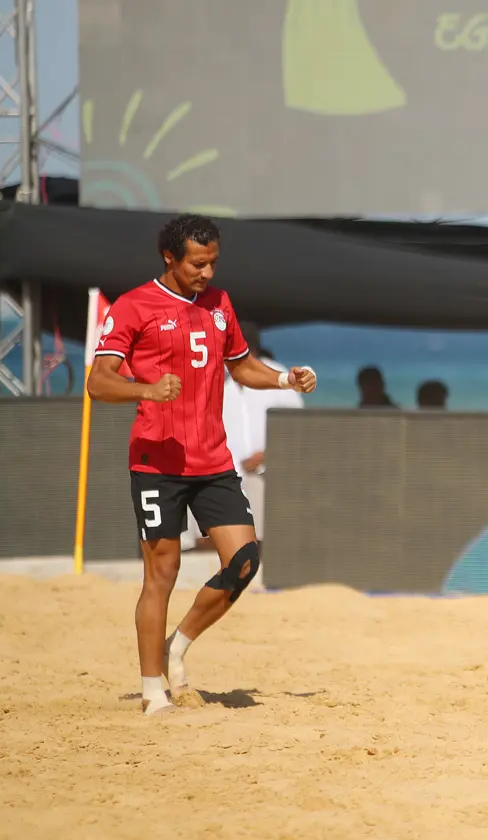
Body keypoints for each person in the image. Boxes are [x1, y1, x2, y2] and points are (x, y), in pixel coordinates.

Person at [87, 214, 318, 716]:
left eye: (213, 262)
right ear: (170, 257)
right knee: (162, 574)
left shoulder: (219, 304)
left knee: (244, 562)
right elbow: (99, 382)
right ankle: (153, 692)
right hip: (156, 461)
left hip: (212, 459)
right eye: (197, 263)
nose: (207, 272)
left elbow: (241, 366)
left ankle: (178, 644)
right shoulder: (134, 306)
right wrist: (145, 388)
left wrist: (284, 381)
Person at [219, 321, 305, 545]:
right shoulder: (216, 378)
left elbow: (299, 428)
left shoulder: (279, 376)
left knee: (258, 537)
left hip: (265, 473)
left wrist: (268, 455)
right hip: (222, 474)